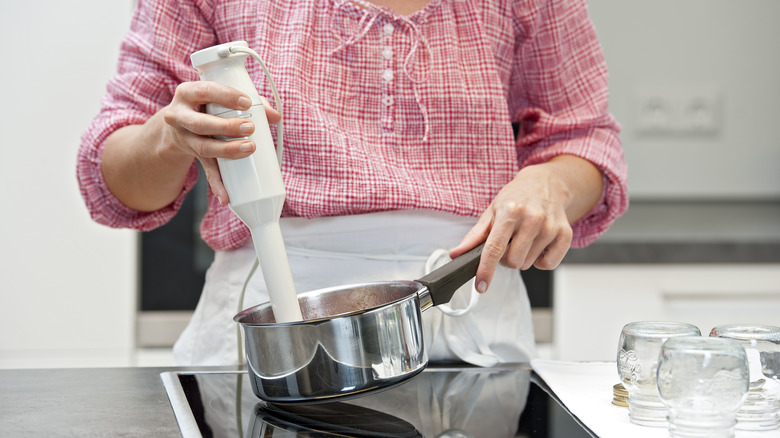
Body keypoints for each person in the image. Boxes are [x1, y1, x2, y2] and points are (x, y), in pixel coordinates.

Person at [77, 0, 628, 366]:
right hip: (271, 327)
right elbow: (118, 183)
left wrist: (549, 183)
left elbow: (584, 141)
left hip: (468, 324)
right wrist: (170, 137)